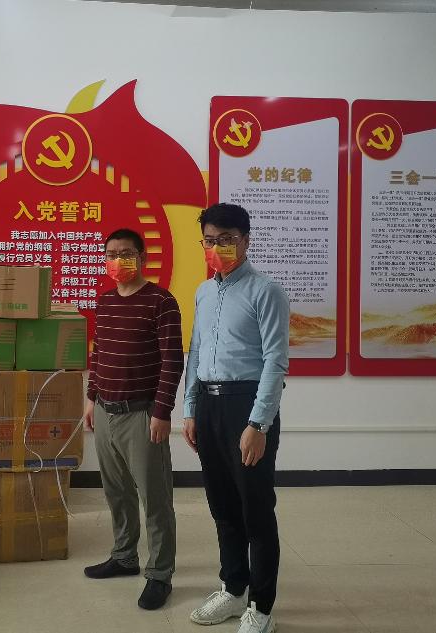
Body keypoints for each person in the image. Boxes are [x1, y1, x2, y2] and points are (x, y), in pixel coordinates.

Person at [182, 204, 289, 633]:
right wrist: (190, 409)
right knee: (223, 507)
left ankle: (261, 608)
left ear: (245, 240)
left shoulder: (266, 291)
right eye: (209, 240)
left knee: (255, 511)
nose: (217, 248)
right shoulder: (203, 292)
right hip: (209, 407)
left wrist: (258, 424)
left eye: (226, 239)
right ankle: (233, 588)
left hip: (247, 407)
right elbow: (196, 351)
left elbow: (276, 361)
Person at [82, 228, 183, 611]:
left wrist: (162, 412)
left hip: (142, 414)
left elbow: (172, 361)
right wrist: (91, 397)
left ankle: (159, 574)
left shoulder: (161, 301)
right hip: (105, 410)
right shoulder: (105, 301)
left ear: (142, 257)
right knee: (117, 492)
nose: (117, 260)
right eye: (111, 253)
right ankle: (125, 556)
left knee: (154, 498)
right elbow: (98, 354)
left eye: (125, 253)